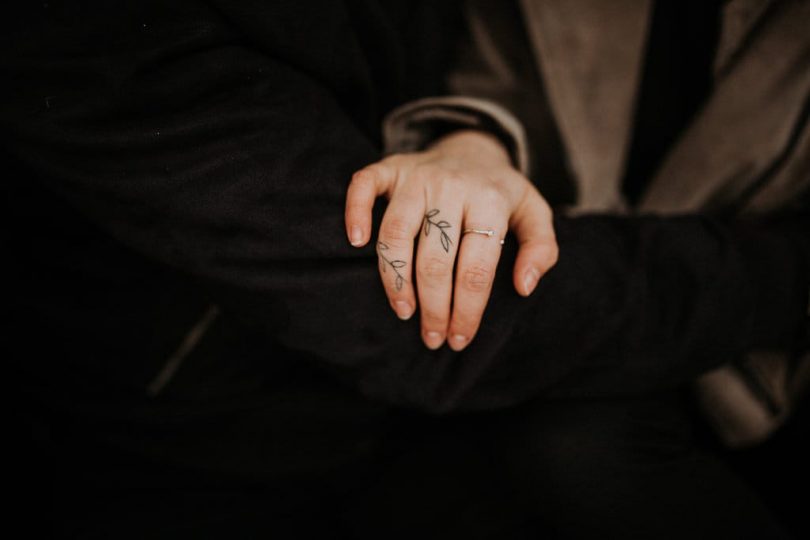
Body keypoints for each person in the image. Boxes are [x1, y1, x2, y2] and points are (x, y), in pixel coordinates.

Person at [3, 0, 807, 537]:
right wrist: (786, 278)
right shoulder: (88, 33)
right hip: (198, 455)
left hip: (431, 406)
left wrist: (469, 143)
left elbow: (457, 51)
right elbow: (439, 319)